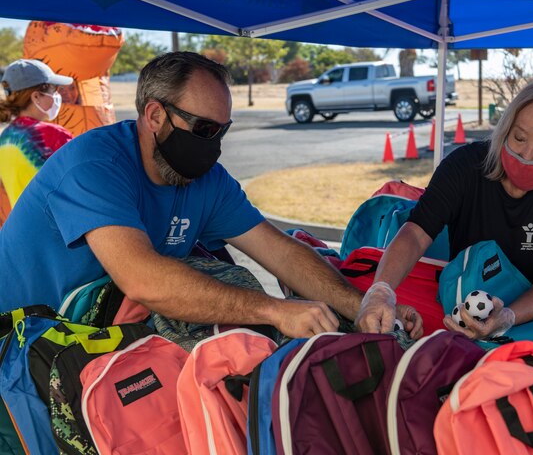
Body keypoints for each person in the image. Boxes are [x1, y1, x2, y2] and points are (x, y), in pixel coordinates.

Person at [0, 52, 422, 339]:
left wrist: (364, 305)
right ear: (154, 115)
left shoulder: (205, 179)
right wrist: (274, 310)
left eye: (222, 131)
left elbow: (283, 253)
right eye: (203, 129)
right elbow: (143, 279)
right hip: (23, 342)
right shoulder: (94, 166)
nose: (214, 145)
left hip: (96, 338)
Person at [355, 76, 533, 340]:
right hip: (463, 309)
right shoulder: (464, 166)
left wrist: (507, 317)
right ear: (506, 126)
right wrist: (381, 290)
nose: (527, 154)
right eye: (519, 137)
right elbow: (416, 232)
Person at [0, 59, 74, 227]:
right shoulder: (52, 134)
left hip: (24, 232)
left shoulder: (5, 137)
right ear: (36, 96)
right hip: (59, 234)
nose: (58, 96)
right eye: (53, 89)